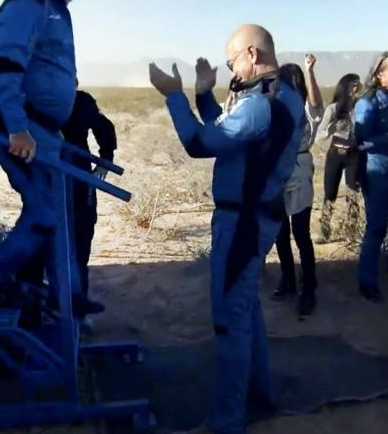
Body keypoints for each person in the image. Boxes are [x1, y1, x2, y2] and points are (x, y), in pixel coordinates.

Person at [148, 24, 303, 434]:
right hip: (258, 216)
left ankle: (226, 422)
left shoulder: (258, 103)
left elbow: (201, 143)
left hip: (243, 223)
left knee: (229, 320)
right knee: (245, 307)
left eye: (232, 59)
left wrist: (174, 96)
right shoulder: (280, 95)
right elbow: (231, 136)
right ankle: (260, 393)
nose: (230, 68)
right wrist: (204, 94)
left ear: (252, 54)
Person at [0, 0, 103, 318]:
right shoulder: (27, 2)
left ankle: (69, 296)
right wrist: (17, 128)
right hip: (20, 124)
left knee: (58, 214)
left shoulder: (50, 5)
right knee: (44, 212)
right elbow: (2, 63)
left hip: (42, 129)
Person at [353, 51, 388, 303]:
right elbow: (361, 142)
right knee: (376, 227)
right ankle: (367, 281)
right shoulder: (367, 102)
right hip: (376, 171)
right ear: (378, 74)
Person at [270, 55, 323, 317]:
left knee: (301, 233)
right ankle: (288, 279)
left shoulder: (306, 110)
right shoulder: (276, 109)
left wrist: (310, 71)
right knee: (280, 232)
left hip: (300, 170)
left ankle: (309, 288)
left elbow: (316, 104)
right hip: (278, 171)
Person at [61, 78, 117, 316]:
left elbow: (104, 128)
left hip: (79, 181)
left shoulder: (82, 101)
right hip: (48, 180)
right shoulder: (35, 103)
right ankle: (36, 310)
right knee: (49, 239)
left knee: (81, 239)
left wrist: (105, 160)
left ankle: (77, 305)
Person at [313, 72, 363, 244]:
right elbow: (319, 133)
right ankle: (325, 231)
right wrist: (329, 131)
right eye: (353, 85)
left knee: (353, 193)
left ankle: (352, 230)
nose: (356, 88)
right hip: (335, 154)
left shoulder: (361, 107)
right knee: (330, 193)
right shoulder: (333, 109)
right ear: (345, 87)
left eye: (358, 85)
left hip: (354, 155)